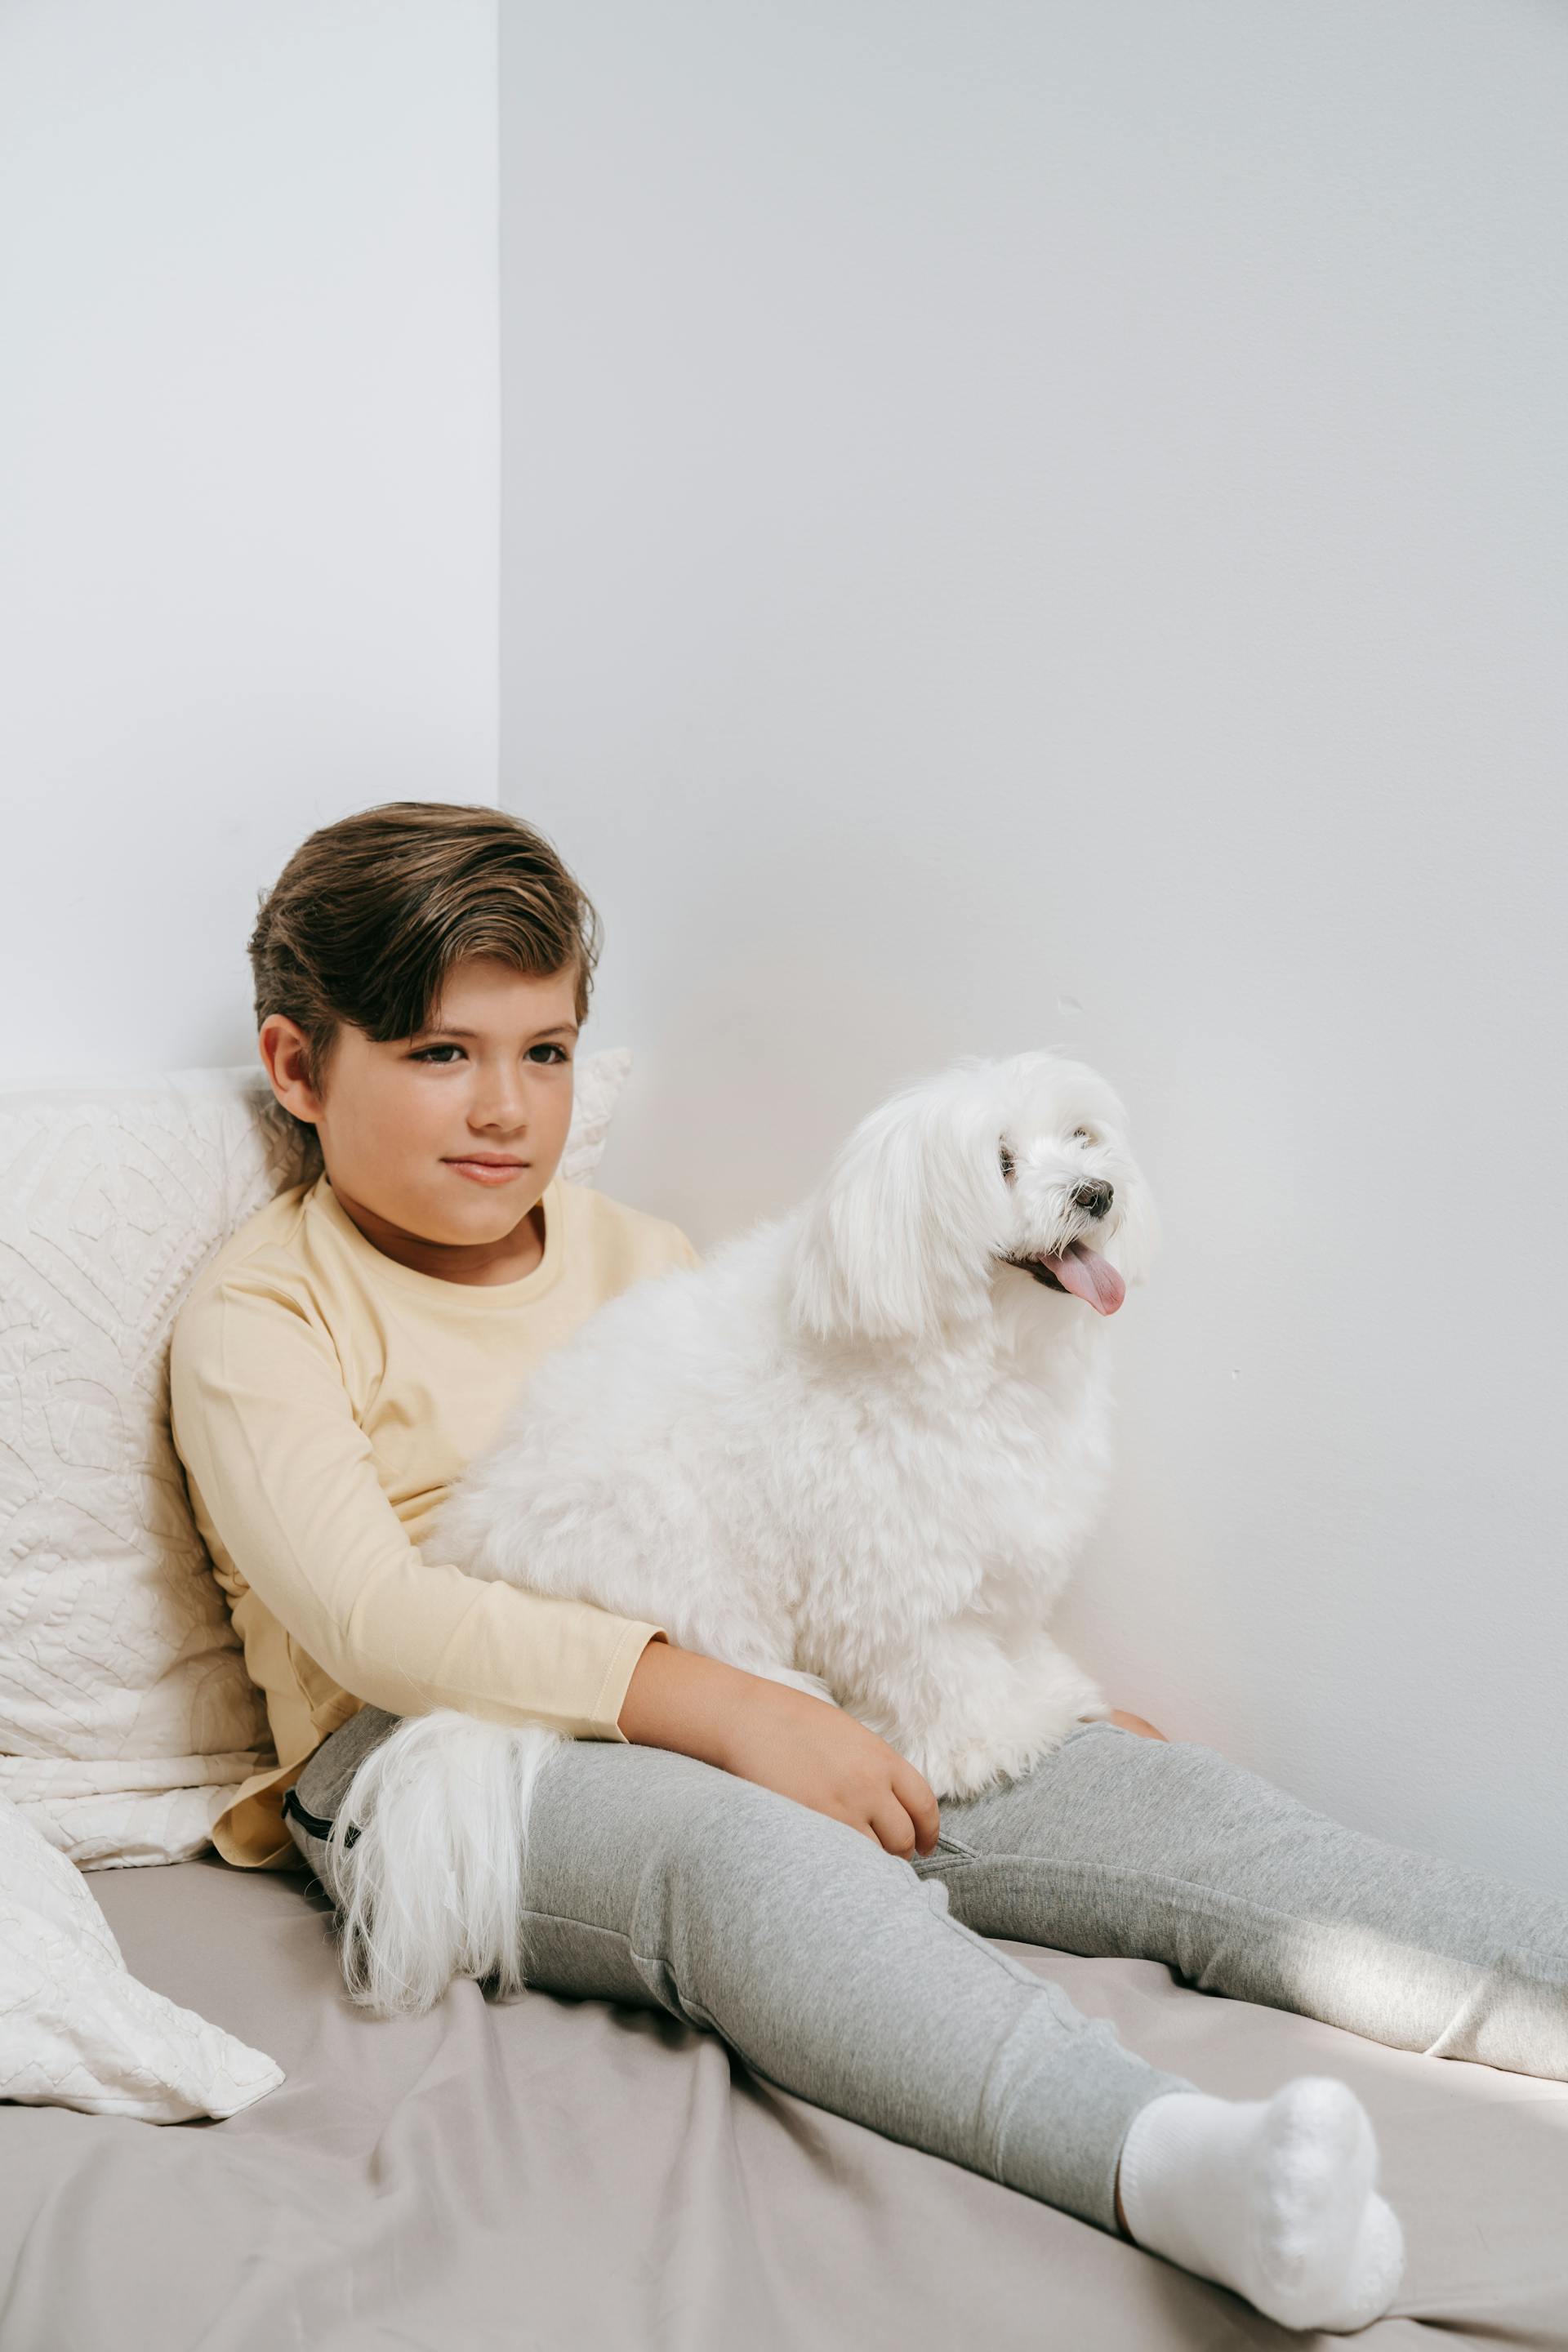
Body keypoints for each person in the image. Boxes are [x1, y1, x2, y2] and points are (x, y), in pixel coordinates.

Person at [170, 803, 1568, 2336]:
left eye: (548, 1051)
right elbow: (373, 1618)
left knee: (1177, 1805)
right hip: (436, 1752)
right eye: (443, 1054)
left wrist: (975, 1694)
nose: (506, 1108)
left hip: (774, 1666)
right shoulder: (264, 1313)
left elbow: (800, 1510)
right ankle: (1169, 2164)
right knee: (758, 1865)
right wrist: (720, 1710)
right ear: (299, 1067)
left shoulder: (635, 1252)